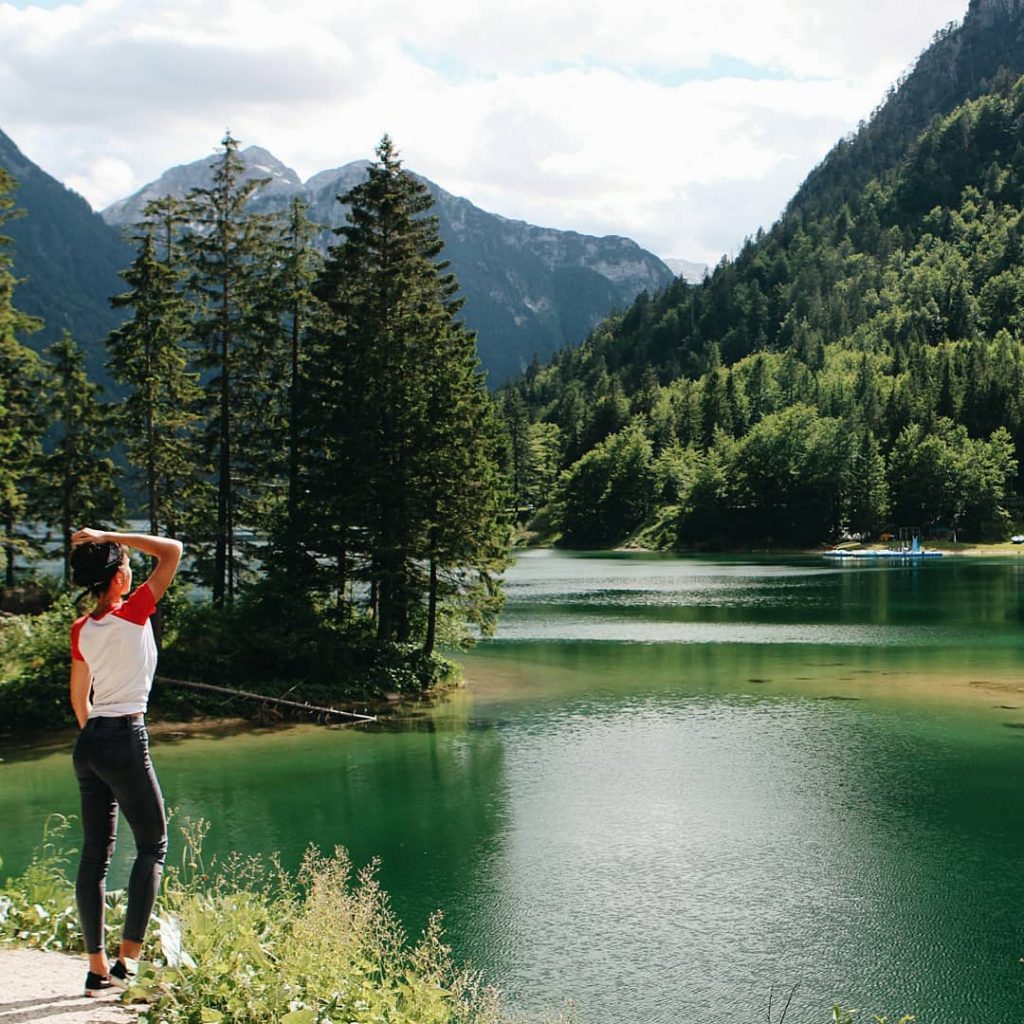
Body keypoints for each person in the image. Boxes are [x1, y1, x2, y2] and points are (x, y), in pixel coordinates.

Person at [68, 528, 183, 997]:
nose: (132, 572)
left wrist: (96, 744)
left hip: (90, 740)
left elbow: (80, 698)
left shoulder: (82, 628)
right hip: (125, 736)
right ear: (117, 580)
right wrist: (109, 534)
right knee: (153, 844)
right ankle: (126, 963)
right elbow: (172, 551)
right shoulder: (134, 613)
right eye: (126, 568)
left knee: (95, 855)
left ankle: (96, 969)